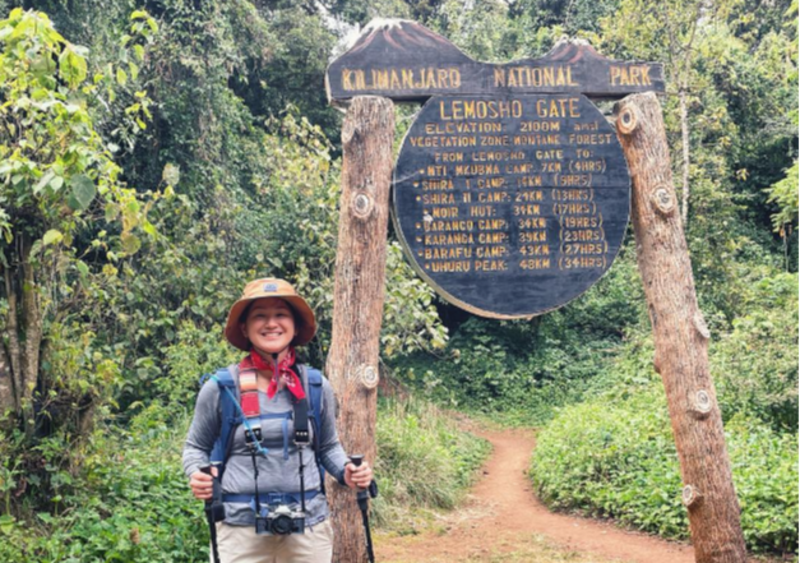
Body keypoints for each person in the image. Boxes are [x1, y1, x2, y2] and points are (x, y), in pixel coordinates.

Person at [183, 278, 373, 563]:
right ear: (245, 328)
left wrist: (347, 471)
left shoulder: (315, 387)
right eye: (260, 315)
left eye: (281, 314)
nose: (271, 323)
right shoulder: (222, 388)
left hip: (308, 528)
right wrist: (196, 474)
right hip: (239, 530)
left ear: (295, 326)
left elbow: (328, 447)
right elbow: (195, 446)